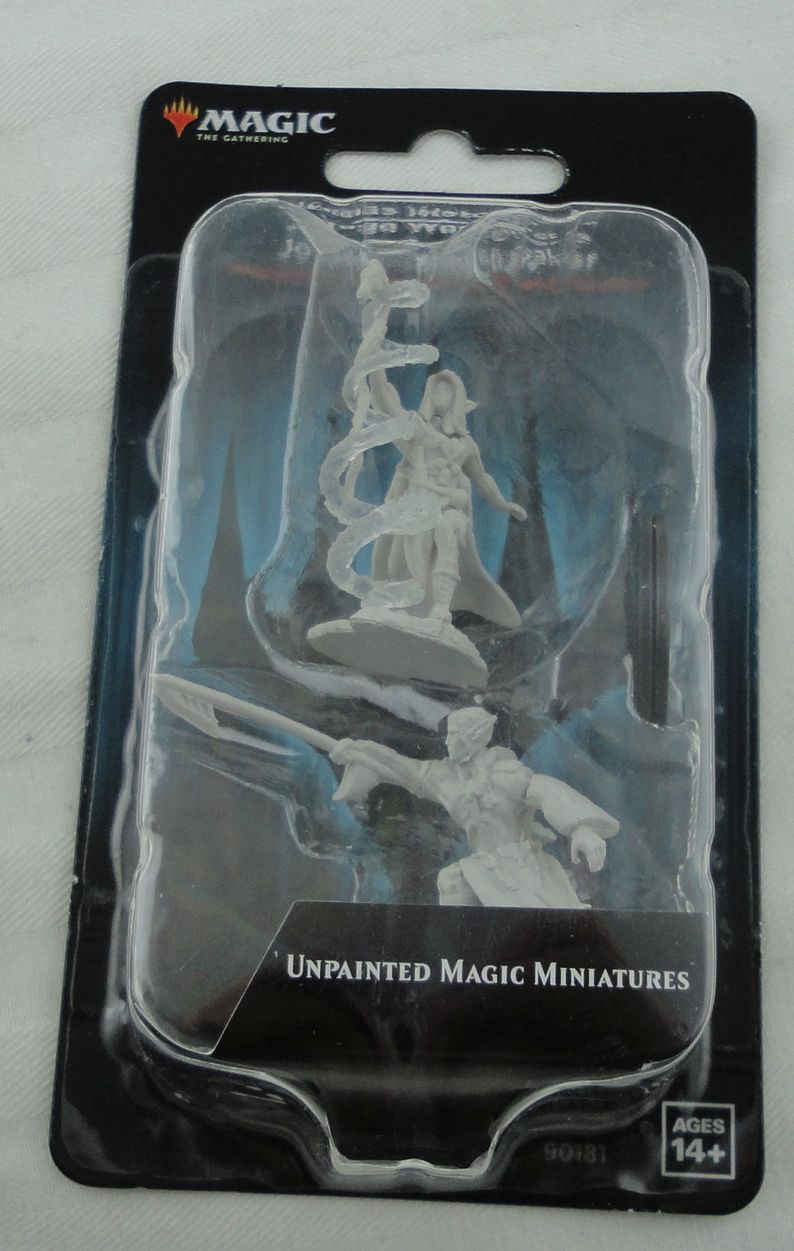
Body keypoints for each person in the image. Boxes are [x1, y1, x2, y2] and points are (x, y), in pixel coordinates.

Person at [330, 705, 618, 908]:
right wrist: (358, 751)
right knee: (452, 883)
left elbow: (546, 791)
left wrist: (582, 828)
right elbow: (403, 769)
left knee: (537, 921)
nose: (448, 741)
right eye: (449, 734)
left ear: (473, 737)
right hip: (482, 865)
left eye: (455, 734)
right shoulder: (446, 779)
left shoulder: (506, 774)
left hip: (522, 868)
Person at [368, 367, 527, 628]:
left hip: (448, 506)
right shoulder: (418, 427)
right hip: (416, 505)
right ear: (430, 394)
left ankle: (441, 610)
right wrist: (376, 368)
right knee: (398, 563)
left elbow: (482, 478)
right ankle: (398, 606)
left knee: (448, 536)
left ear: (457, 397)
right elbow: (388, 405)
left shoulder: (465, 445)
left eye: (448, 390)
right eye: (438, 389)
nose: (442, 394)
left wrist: (503, 503)